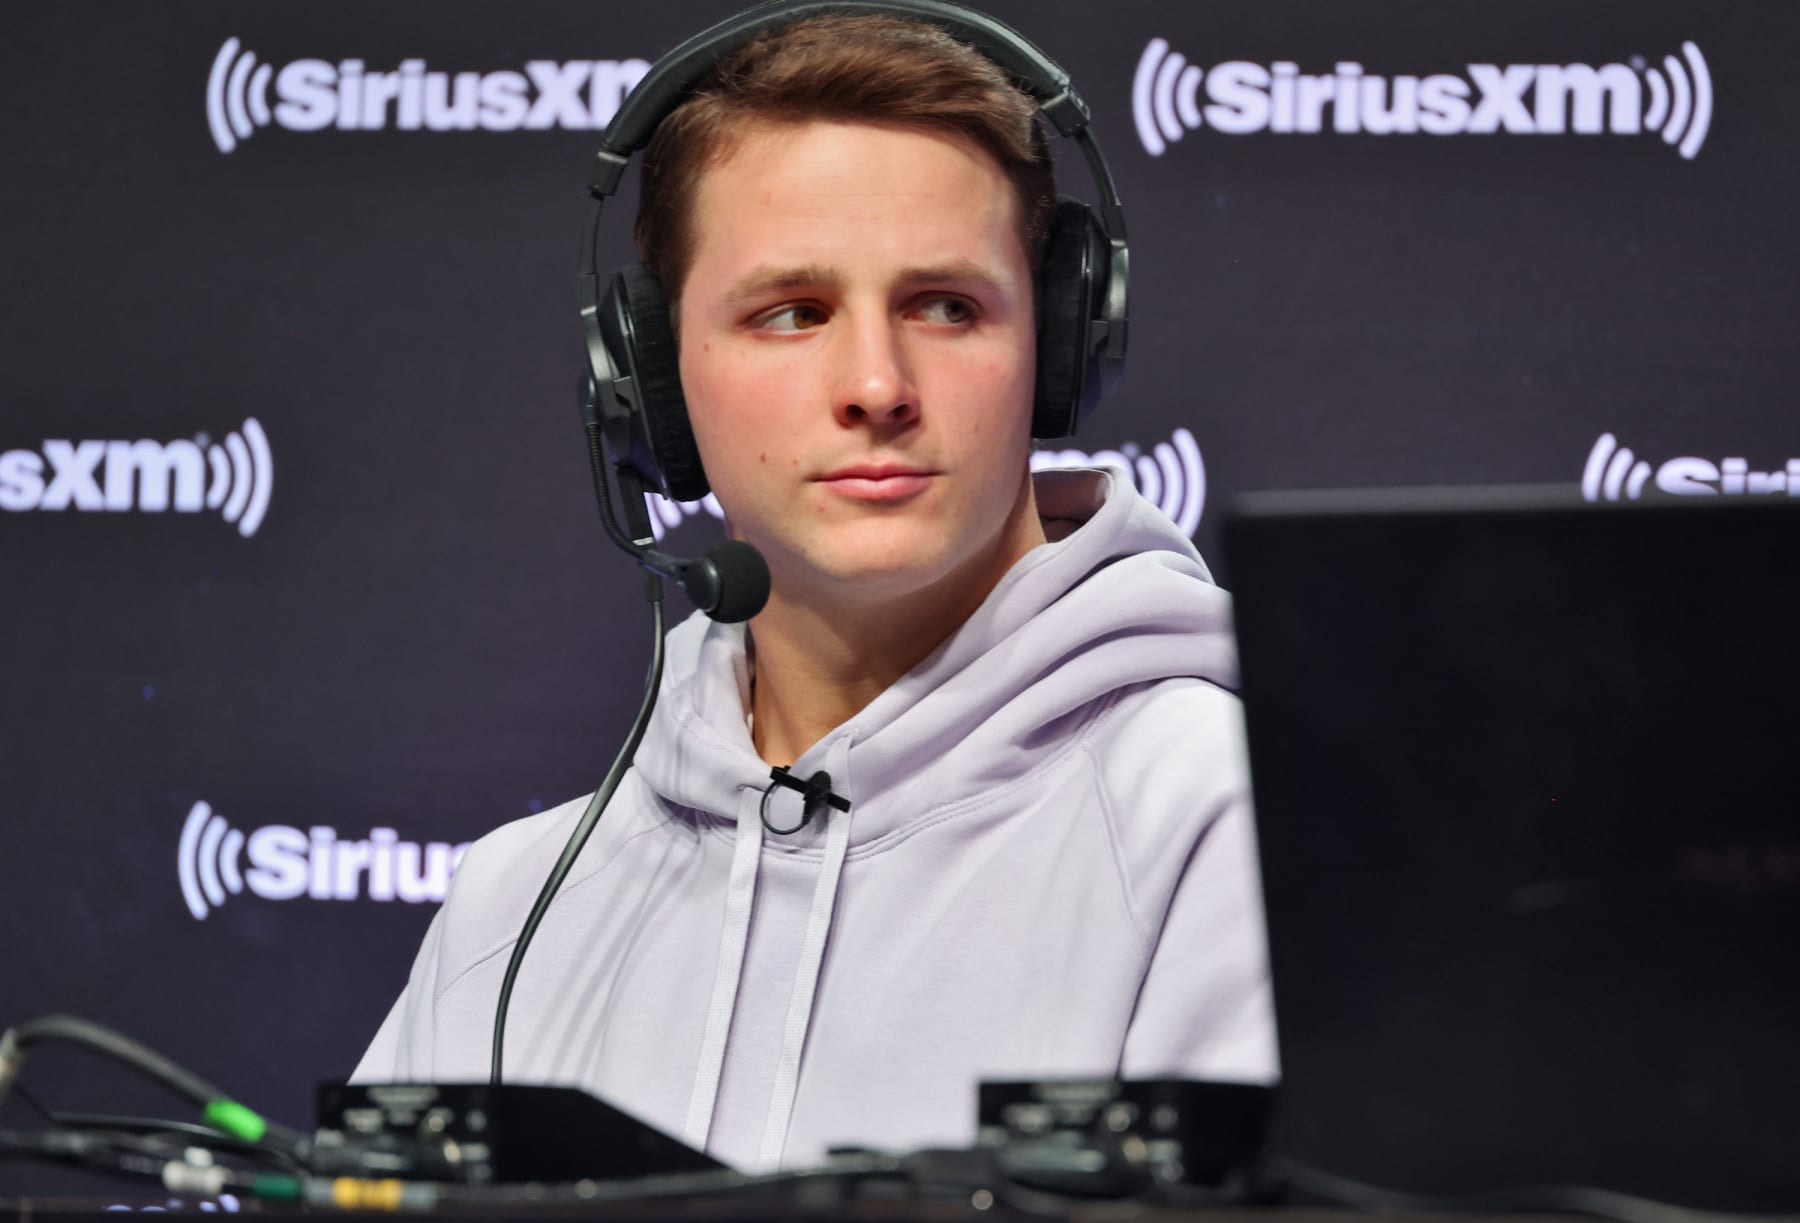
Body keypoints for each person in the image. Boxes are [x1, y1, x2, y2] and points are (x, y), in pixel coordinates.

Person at [354, 5, 1275, 1173]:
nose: (877, 384)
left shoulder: (1224, 822)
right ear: (652, 383)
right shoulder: (516, 907)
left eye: (947, 304)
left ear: (1057, 348)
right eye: (791, 313)